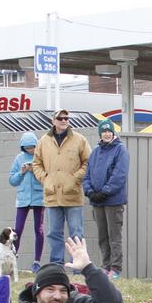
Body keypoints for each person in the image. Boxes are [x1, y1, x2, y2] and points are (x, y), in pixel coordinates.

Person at [33, 109, 91, 266]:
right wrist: (45, 179)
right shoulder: (43, 141)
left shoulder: (80, 140)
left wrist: (75, 179)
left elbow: (88, 162)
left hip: (72, 195)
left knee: (76, 233)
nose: (64, 120)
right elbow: (36, 164)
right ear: (53, 121)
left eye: (66, 118)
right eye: (60, 118)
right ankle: (57, 264)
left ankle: (78, 265)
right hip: (52, 196)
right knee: (54, 233)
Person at [83, 119, 129, 279]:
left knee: (114, 236)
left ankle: (115, 268)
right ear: (100, 134)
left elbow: (119, 175)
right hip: (97, 201)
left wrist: (105, 191)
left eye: (110, 131)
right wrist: (89, 191)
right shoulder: (95, 151)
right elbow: (87, 174)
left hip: (113, 201)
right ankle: (105, 265)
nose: (107, 134)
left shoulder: (120, 150)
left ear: (113, 133)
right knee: (102, 236)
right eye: (104, 131)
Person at [8, 132, 45, 273]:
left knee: (39, 229)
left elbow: (45, 179)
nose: (30, 150)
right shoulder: (19, 159)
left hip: (38, 198)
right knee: (17, 230)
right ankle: (12, 259)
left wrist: (34, 170)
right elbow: (12, 181)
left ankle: (37, 261)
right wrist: (22, 172)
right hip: (23, 199)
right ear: (23, 147)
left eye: (33, 147)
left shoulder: (41, 157)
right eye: (27, 148)